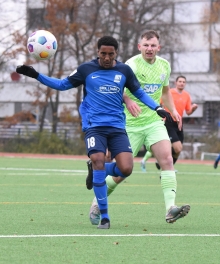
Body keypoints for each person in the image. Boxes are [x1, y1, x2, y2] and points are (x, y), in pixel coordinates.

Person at [16, 36, 172, 229]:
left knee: (126, 169)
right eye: (103, 53)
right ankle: (105, 217)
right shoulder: (86, 69)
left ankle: (97, 170)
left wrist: (156, 107)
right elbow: (62, 85)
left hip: (117, 127)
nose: (107, 57)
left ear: (116, 54)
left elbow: (138, 93)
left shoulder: (124, 70)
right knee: (99, 159)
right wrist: (36, 75)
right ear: (97, 52)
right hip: (94, 126)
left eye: (111, 54)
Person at [87, 30, 190, 226]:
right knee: (121, 173)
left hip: (153, 122)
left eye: (153, 46)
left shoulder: (164, 66)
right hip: (130, 125)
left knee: (168, 159)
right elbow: (118, 91)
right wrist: (127, 101)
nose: (149, 49)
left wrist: (173, 110)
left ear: (158, 47)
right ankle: (97, 203)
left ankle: (170, 209)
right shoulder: (131, 65)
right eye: (146, 45)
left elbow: (165, 92)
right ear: (139, 46)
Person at [141, 75, 198, 171]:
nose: (182, 83)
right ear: (176, 83)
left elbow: (188, 112)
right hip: (169, 122)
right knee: (177, 147)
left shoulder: (186, 95)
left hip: (179, 124)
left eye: (184, 82)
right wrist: (161, 115)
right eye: (180, 81)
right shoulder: (169, 92)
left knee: (178, 151)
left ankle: (165, 168)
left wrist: (193, 109)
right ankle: (164, 164)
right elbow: (159, 104)